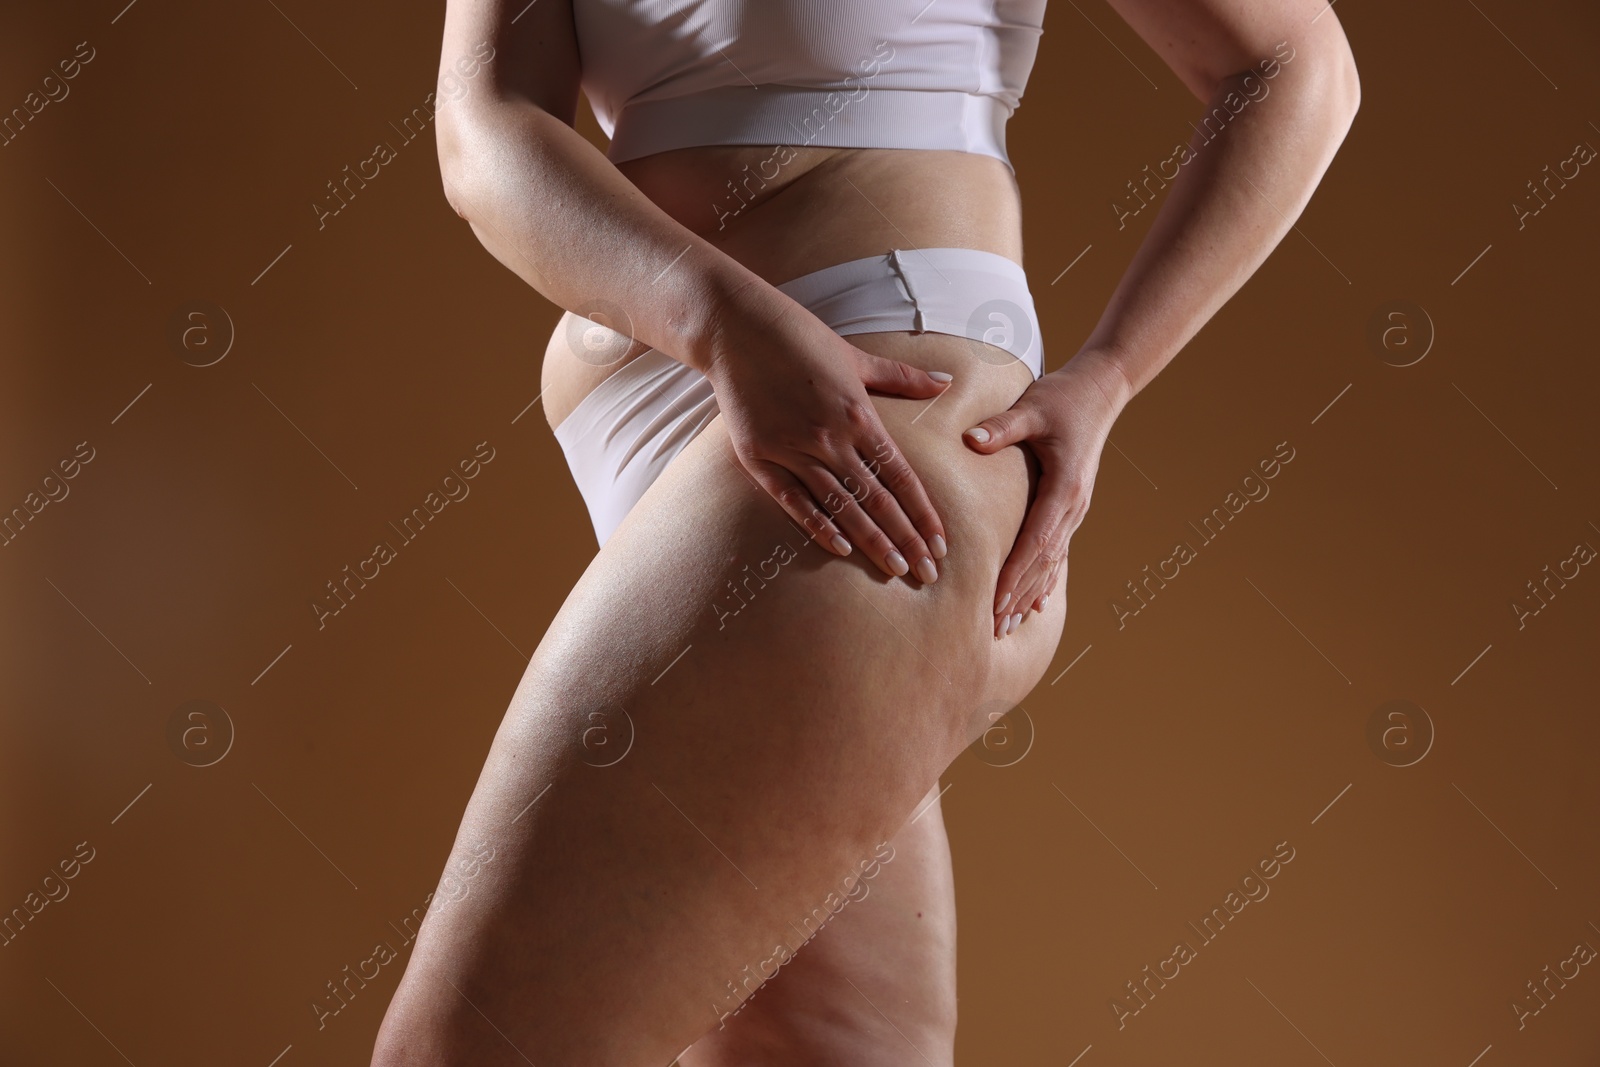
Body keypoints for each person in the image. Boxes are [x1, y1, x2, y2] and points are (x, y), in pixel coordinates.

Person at [370, 1, 1359, 1064]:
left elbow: (1297, 65)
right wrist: (709, 314)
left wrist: (1107, 375)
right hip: (708, 458)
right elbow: (485, 128)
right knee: (821, 1046)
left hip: (862, 466)